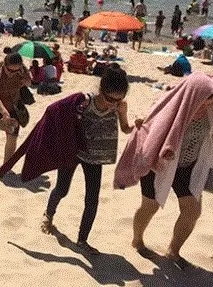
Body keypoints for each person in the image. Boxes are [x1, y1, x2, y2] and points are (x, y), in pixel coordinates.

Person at [114, 72, 213, 270]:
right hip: (159, 165)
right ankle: (137, 240)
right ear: (192, 96)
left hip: (187, 167)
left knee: (192, 211)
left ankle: (173, 251)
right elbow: (150, 127)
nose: (208, 104)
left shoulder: (211, 109)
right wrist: (147, 132)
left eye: (211, 100)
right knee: (150, 206)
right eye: (205, 100)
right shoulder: (172, 106)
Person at [29, 67, 139, 254]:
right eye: (109, 98)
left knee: (92, 199)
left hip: (96, 156)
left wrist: (135, 126)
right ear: (101, 90)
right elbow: (58, 114)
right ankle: (48, 214)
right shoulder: (86, 102)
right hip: (74, 152)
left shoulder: (121, 105)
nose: (113, 103)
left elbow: (125, 128)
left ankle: (82, 240)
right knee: (62, 189)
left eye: (118, 99)